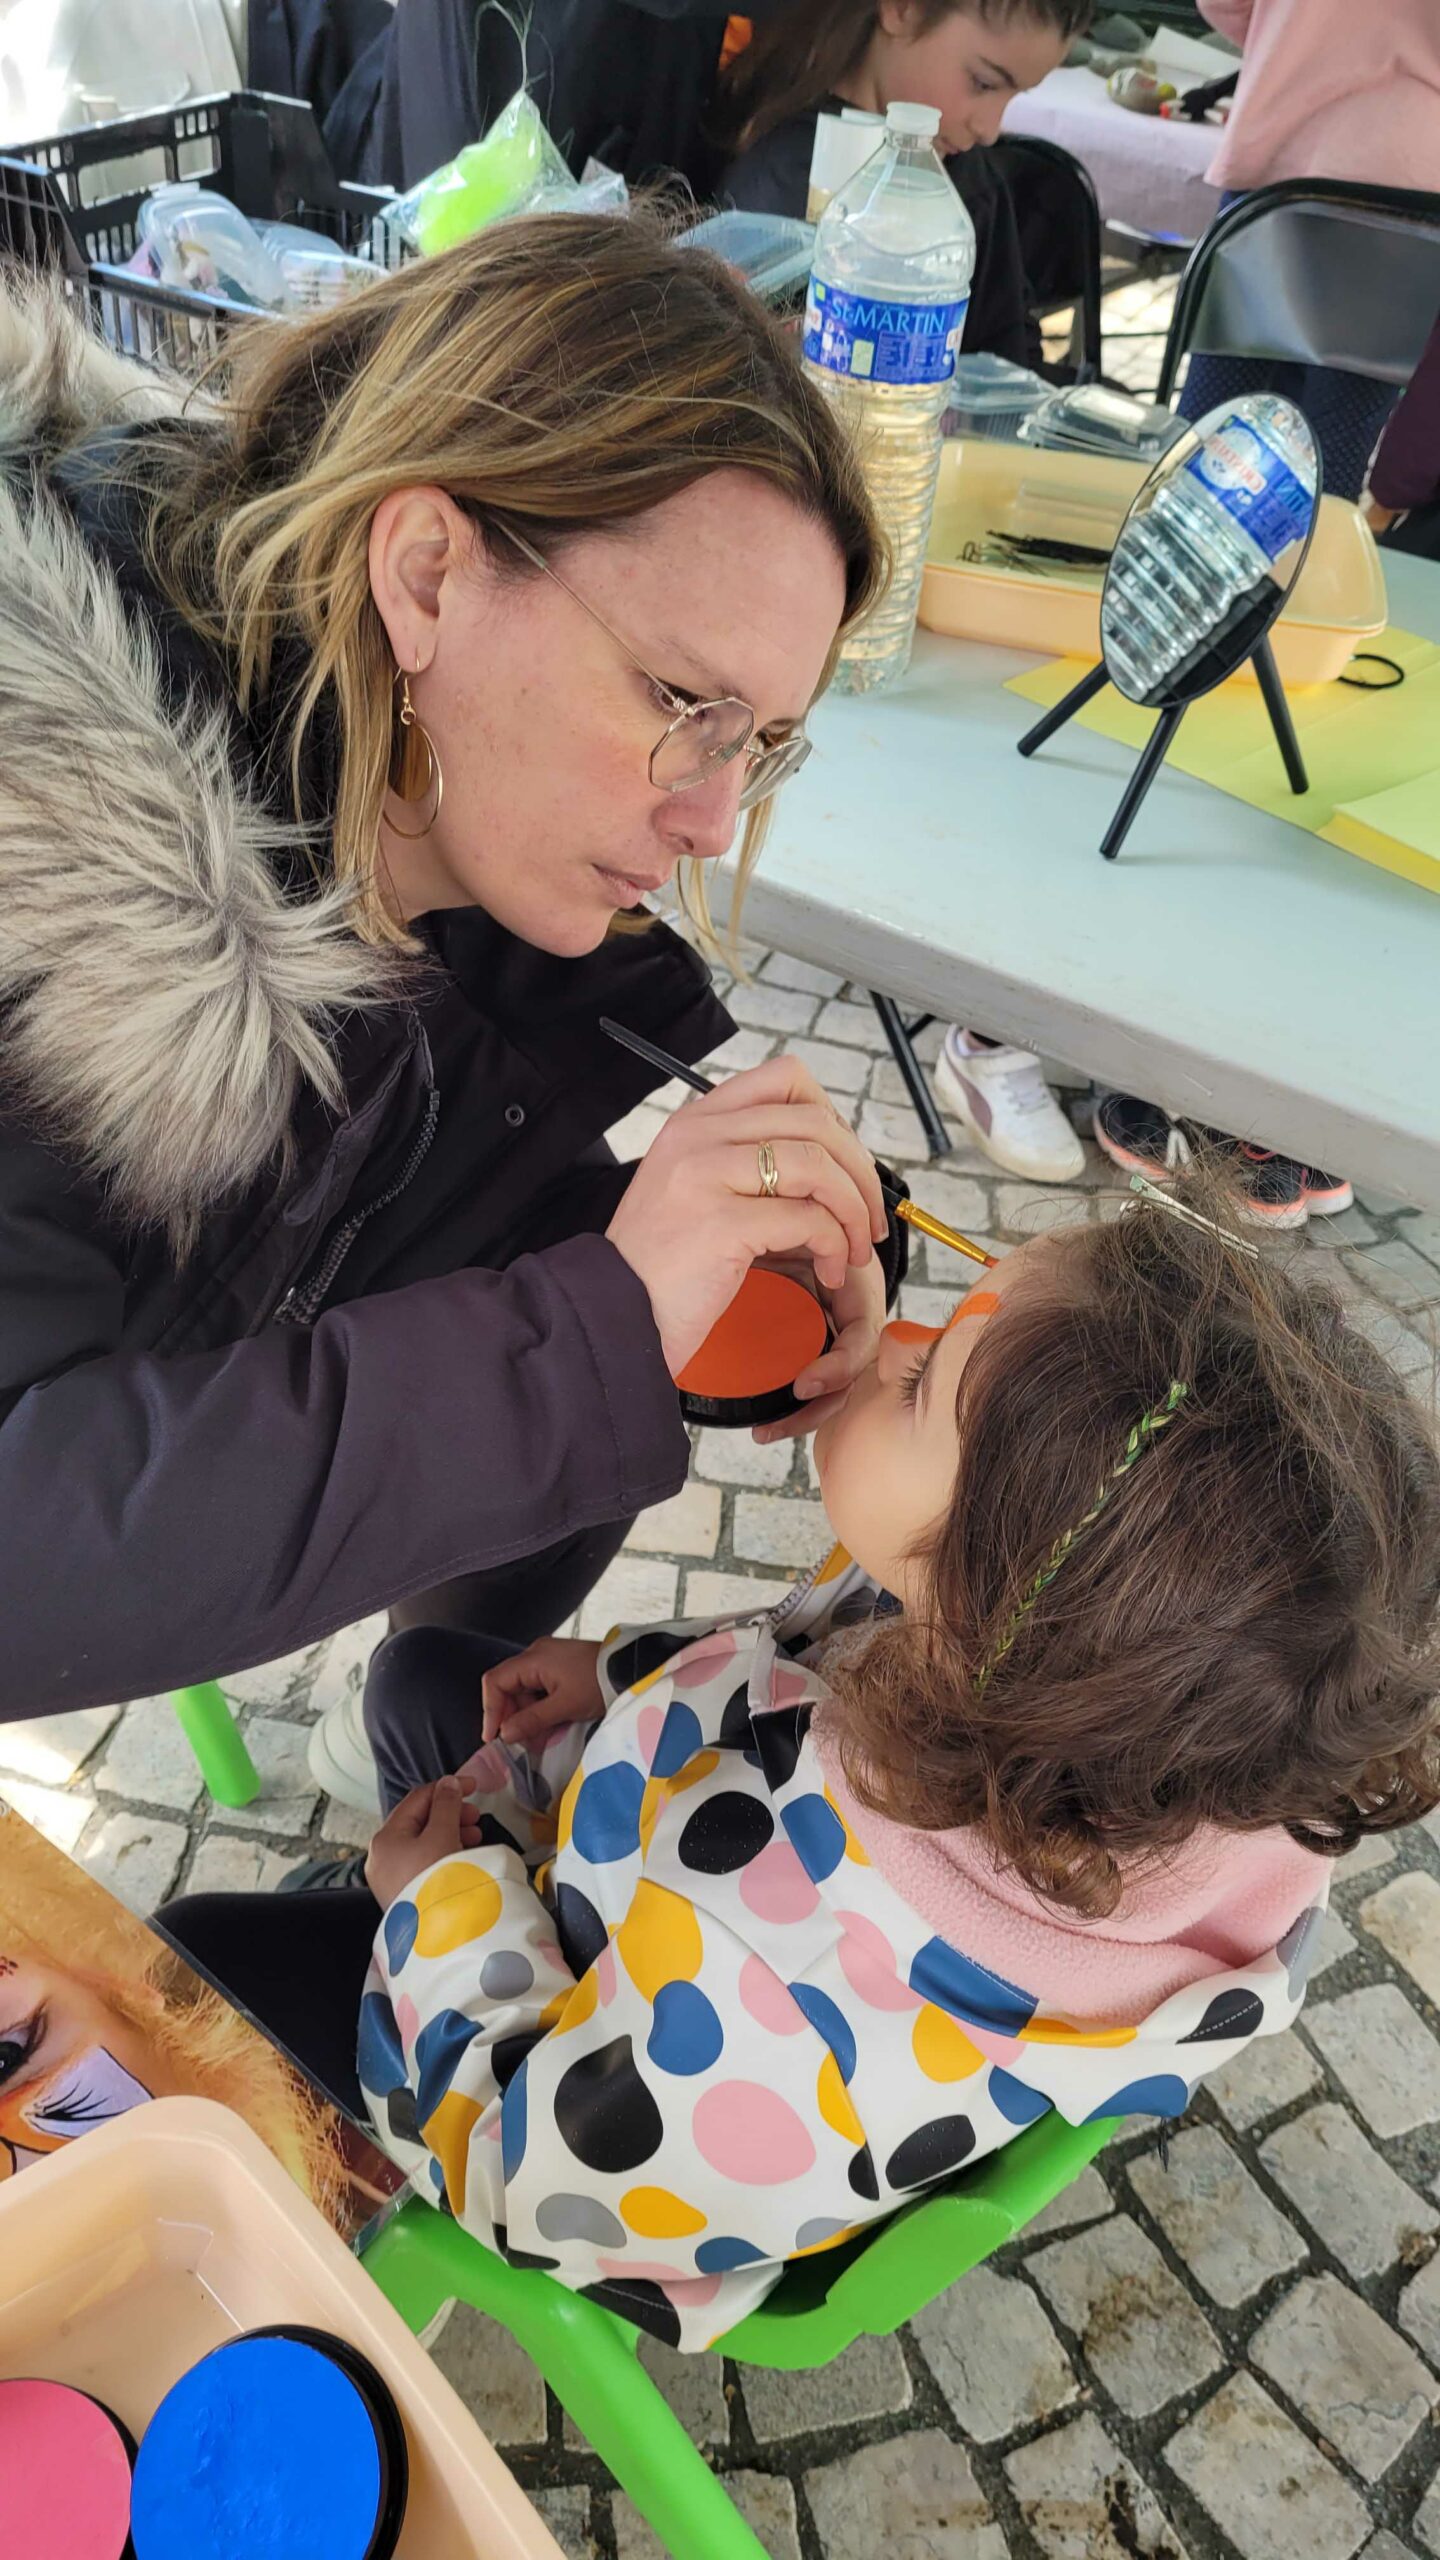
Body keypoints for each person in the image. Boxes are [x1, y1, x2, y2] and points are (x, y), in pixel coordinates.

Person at [159, 1178, 1440, 2345]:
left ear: (995, 1609)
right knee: (417, 1683)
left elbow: (527, 2170)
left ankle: (331, 2182)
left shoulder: (803, 1996)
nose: (894, 1338)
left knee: (186, 1959)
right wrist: (625, 1668)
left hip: (555, 2066)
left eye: (923, 1381)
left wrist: (442, 1915)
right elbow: (812, 1653)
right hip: (642, 1858)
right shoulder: (1144, 1715)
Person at [0, 221, 894, 1734]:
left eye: (761, 743)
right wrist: (587, 1330)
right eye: (685, 702)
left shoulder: (423, 828)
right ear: (426, 573)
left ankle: (429, 1726)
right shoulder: (47, 848)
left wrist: (703, 1262)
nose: (711, 821)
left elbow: (413, 1218)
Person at [720, 0, 1096, 1184]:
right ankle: (981, 1018)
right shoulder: (775, 171)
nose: (991, 122)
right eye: (985, 79)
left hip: (936, 577)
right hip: (800, 594)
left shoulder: (968, 191)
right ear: (893, 11)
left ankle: (993, 1019)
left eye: (1018, 96)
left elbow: (1019, 380)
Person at [1177, 0, 1440, 503]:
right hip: (1415, 174)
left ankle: (1182, 537)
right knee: (1334, 446)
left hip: (1281, 147)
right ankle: (1312, 547)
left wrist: (1293, 47)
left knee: (1214, 427)